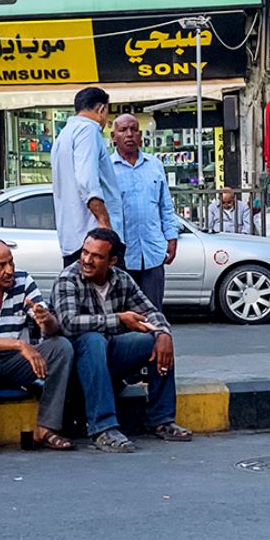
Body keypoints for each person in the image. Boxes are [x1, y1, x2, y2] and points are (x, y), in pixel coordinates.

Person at [52, 228, 192, 452]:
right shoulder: (69, 278)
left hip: (109, 357)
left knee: (155, 342)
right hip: (77, 366)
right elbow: (69, 323)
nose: (87, 260)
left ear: (112, 261)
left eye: (96, 256)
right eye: (85, 253)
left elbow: (150, 312)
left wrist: (163, 333)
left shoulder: (121, 279)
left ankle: (162, 419)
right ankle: (103, 428)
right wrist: (118, 320)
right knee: (93, 339)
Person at [0, 239, 75, 455]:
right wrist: (19, 345)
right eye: (1, 265)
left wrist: (46, 320)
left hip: (16, 363)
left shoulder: (23, 281)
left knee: (61, 347)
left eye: (11, 263)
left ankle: (46, 428)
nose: (9, 270)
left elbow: (51, 329)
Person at [109, 114, 178, 309]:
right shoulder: (107, 168)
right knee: (125, 312)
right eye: (123, 130)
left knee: (153, 311)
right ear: (114, 137)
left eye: (134, 129)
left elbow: (165, 205)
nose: (129, 134)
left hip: (153, 251)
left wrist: (171, 238)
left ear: (140, 135)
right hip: (122, 254)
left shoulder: (155, 165)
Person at [51, 87, 123, 267]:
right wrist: (104, 223)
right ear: (101, 110)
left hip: (74, 238)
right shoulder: (87, 131)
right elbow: (86, 181)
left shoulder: (64, 135)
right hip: (93, 240)